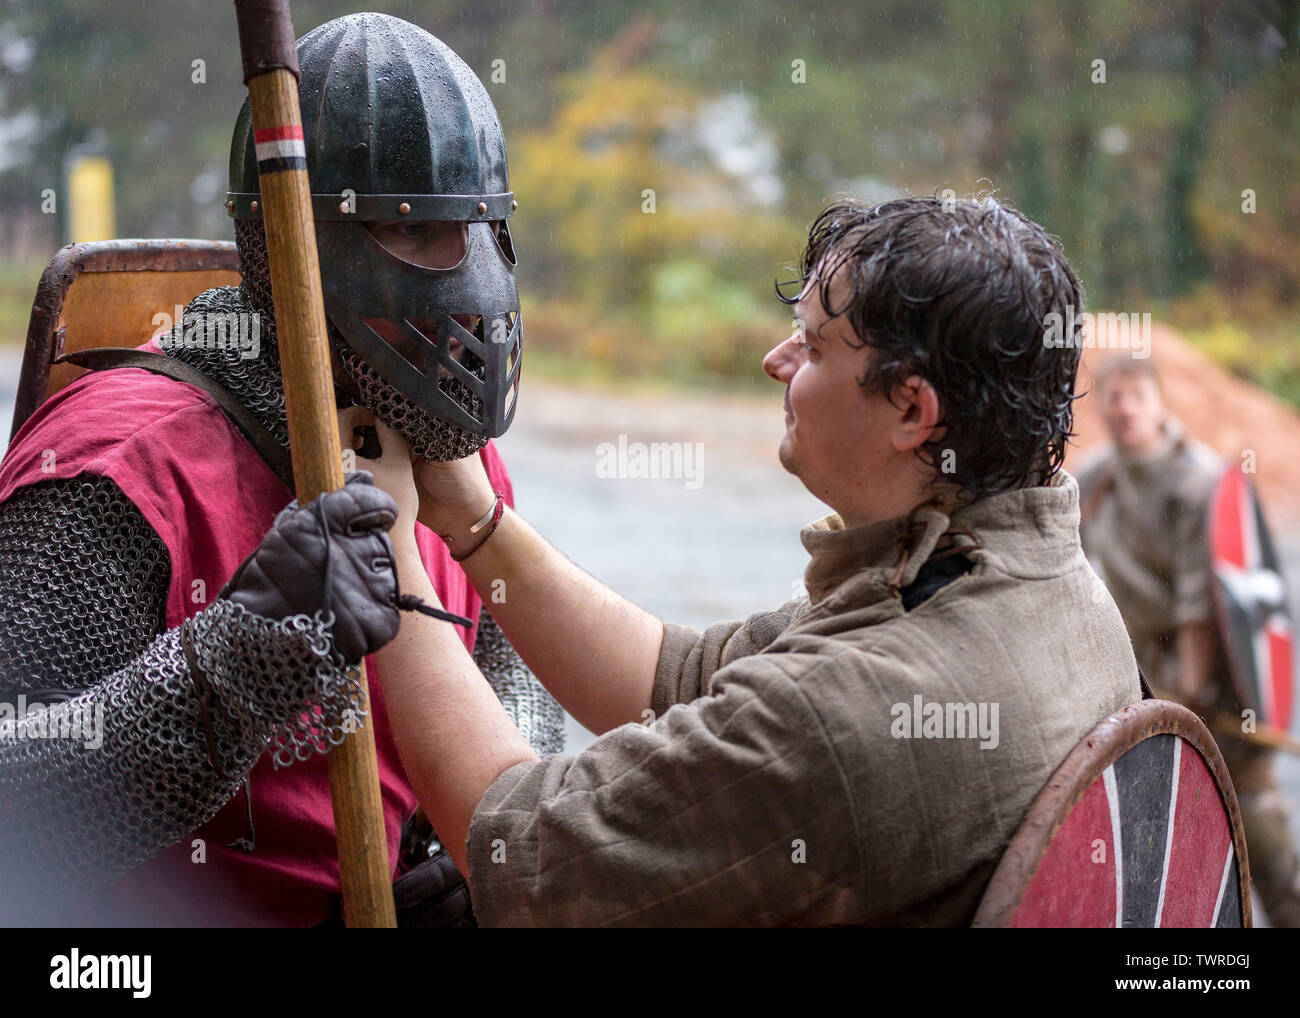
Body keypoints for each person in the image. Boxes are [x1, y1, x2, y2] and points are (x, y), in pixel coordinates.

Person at [352, 194, 1143, 926]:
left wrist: (386, 550)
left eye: (812, 346)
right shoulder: (1035, 586)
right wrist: (475, 521)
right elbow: (683, 676)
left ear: (911, 408)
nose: (776, 360)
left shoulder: (845, 713)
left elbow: (514, 852)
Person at [0, 13, 562, 927]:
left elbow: (523, 694)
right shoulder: (122, 467)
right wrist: (232, 661)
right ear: (304, 247)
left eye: (485, 229)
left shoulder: (442, 437)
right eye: (414, 234)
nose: (472, 284)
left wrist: (475, 854)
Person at [1076, 356, 1300, 927]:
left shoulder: (1198, 481)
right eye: (1114, 396)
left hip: (1217, 683)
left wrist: (1188, 696)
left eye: (1136, 396)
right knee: (1156, 821)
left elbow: (1201, 605)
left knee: (1251, 810)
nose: (1124, 407)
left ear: (1158, 404)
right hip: (1149, 672)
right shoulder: (1098, 477)